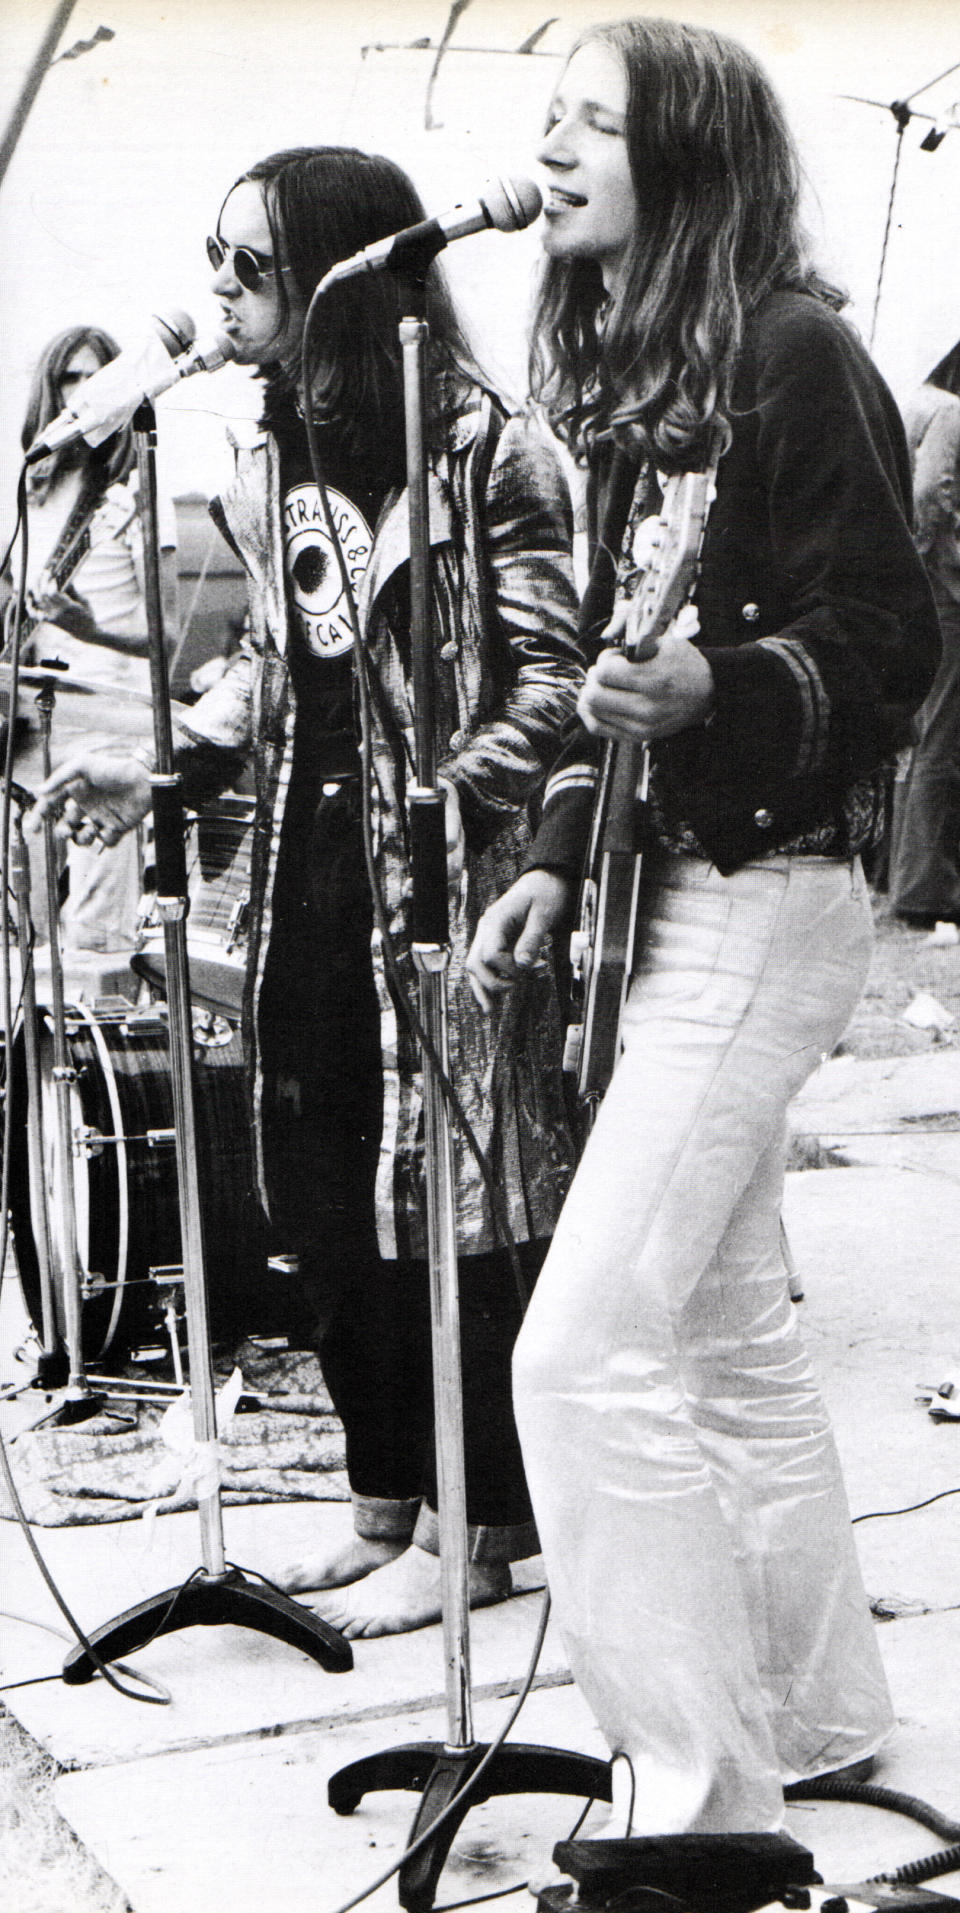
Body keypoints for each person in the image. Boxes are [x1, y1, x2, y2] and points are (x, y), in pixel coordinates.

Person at [466, 19, 940, 1834]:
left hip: (767, 899)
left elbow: (888, 649)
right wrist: (546, 844)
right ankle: (813, 1719)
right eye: (551, 117)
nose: (558, 147)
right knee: (730, 1333)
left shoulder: (798, 352)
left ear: (688, 154)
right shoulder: (635, 385)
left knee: (580, 1348)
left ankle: (699, 1801)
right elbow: (613, 683)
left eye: (597, 119)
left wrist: (723, 688)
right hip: (668, 892)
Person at [34, 147, 583, 1636]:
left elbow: (556, 678)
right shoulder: (274, 456)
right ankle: (381, 1499)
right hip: (304, 866)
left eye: (247, 268)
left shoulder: (487, 448)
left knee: (448, 1204)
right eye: (214, 262)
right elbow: (282, 665)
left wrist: (448, 796)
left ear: (345, 273)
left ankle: (483, 1529)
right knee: (322, 1190)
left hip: (446, 880)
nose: (216, 294)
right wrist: (176, 771)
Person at [6, 324, 179, 955]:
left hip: (108, 728)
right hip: (33, 728)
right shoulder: (31, 494)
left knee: (95, 930)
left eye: (95, 377)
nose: (81, 392)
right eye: (69, 379)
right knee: (26, 928)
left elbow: (166, 637)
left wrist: (89, 627)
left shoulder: (135, 494)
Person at [889, 338, 960, 928]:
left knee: (916, 732)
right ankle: (923, 888)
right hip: (942, 589)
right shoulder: (950, 411)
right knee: (940, 735)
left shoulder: (913, 402)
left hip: (911, 587)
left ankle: (905, 876)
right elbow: (931, 494)